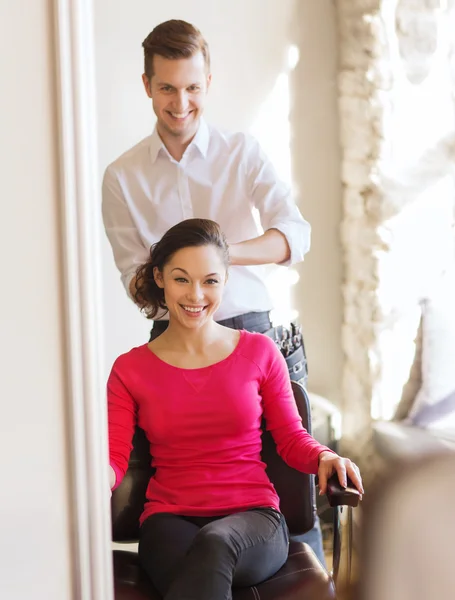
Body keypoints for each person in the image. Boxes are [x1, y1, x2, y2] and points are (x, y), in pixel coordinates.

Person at [101, 17, 329, 560]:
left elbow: (295, 235)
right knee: (180, 512)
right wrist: (187, 297)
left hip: (257, 340)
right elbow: (137, 281)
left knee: (296, 513)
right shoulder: (121, 177)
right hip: (171, 347)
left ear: (209, 83)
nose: (181, 103)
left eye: (193, 88)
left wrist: (217, 259)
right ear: (147, 85)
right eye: (167, 88)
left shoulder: (242, 153)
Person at [107, 218, 364, 600]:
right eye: (182, 279)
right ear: (159, 278)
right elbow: (113, 457)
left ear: (226, 281)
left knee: (216, 543)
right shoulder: (130, 370)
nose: (196, 295)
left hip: (255, 518)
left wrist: (325, 456)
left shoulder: (260, 353)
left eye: (210, 280)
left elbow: (292, 439)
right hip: (168, 520)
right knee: (202, 562)